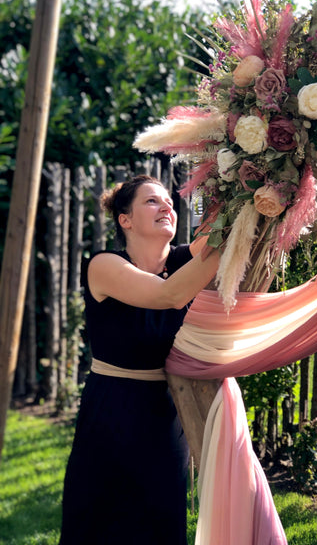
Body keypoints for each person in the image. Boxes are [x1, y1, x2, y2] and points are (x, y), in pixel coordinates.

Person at [59, 174, 219, 545]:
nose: (166, 206)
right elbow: (169, 295)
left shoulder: (185, 259)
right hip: (110, 409)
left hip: (166, 413)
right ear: (124, 220)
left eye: (168, 200)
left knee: (160, 523)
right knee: (98, 523)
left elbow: (225, 233)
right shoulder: (104, 265)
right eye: (151, 201)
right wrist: (225, 249)